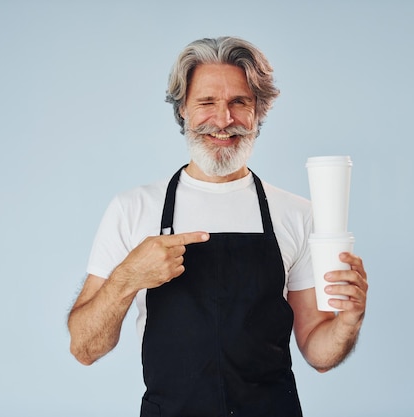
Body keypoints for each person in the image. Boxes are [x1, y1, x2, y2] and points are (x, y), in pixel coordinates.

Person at [68, 36, 368, 417]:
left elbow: (318, 351)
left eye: (239, 102)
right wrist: (128, 277)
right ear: (182, 111)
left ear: (259, 110)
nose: (224, 120)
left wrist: (349, 320)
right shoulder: (133, 208)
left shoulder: (297, 213)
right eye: (207, 103)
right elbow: (84, 348)